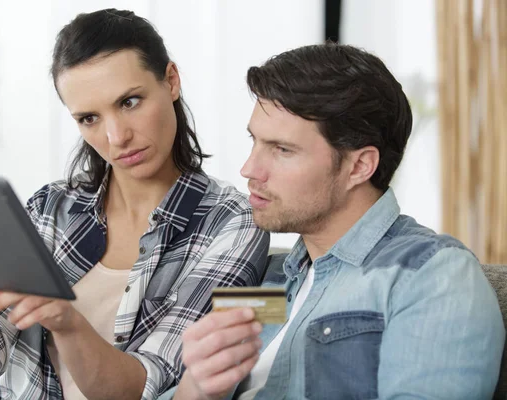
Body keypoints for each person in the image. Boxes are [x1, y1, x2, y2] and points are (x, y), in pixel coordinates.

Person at [0, 9, 270, 400]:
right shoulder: (51, 208)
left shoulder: (233, 224)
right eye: (89, 118)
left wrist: (65, 321)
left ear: (171, 81)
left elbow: (150, 385)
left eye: (130, 102)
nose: (117, 137)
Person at [162, 43, 505, 400]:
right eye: (255, 141)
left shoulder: (430, 276)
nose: (249, 170)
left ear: (359, 166)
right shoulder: (264, 280)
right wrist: (195, 391)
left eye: (282, 149)